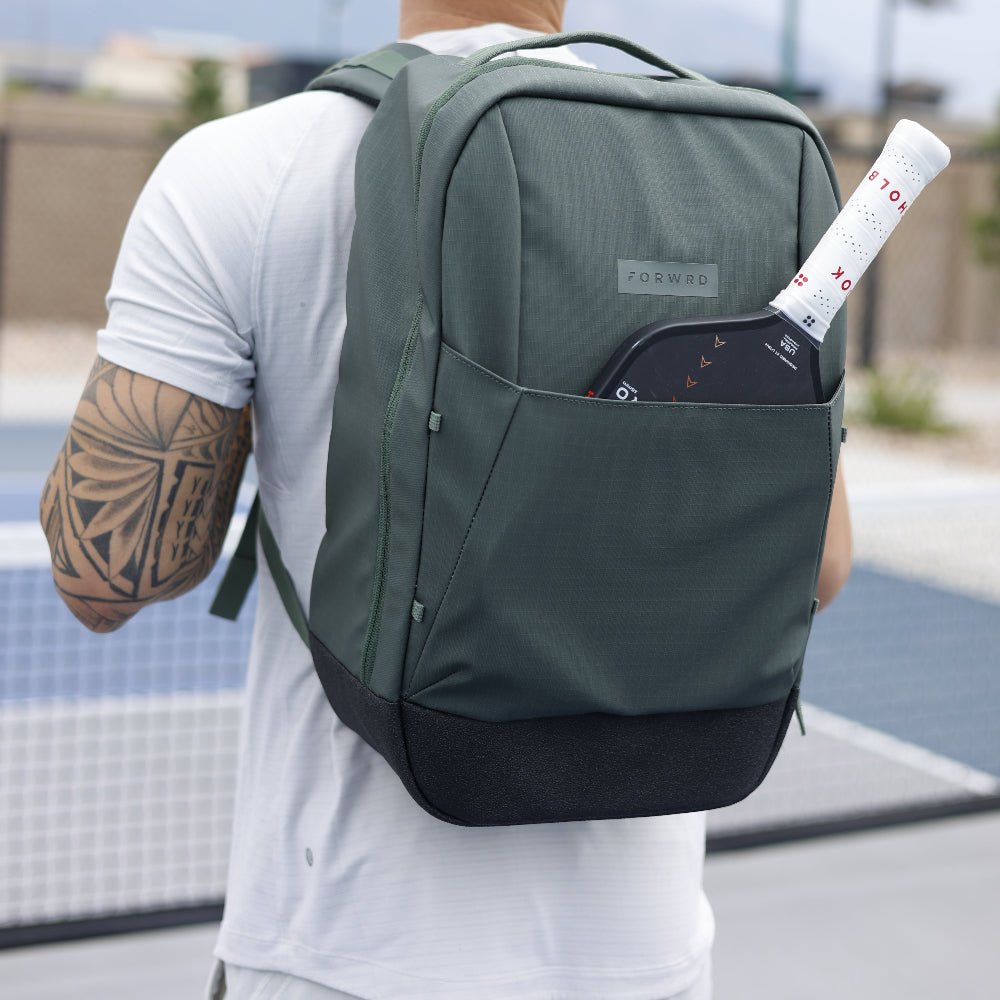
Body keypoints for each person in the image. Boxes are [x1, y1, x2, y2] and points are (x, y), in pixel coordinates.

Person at [39, 1, 853, 997]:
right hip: (649, 956)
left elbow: (107, 575)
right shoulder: (733, 171)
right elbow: (819, 567)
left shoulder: (243, 168)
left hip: (343, 952)